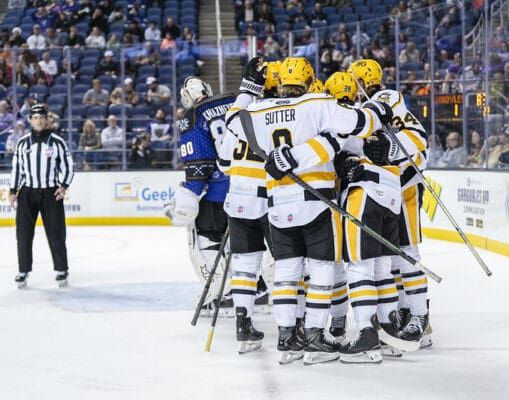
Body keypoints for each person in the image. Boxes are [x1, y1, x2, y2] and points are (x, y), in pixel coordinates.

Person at [227, 56, 390, 365]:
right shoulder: (317, 103)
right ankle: (315, 336)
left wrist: (248, 88)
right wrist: (378, 111)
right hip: (317, 201)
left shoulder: (258, 111)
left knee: (286, 273)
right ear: (309, 80)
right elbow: (359, 124)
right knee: (322, 271)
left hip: (278, 202)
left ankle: (287, 338)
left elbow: (233, 120)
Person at [349, 58, 433, 350]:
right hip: (386, 188)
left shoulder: (385, 98)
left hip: (404, 185)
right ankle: (404, 313)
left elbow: (417, 140)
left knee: (406, 252)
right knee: (392, 258)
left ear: (363, 81)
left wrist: (391, 148)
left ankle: (421, 318)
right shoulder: (367, 104)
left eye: (355, 82)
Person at [219, 58, 281, 354]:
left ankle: (243, 326)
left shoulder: (239, 117)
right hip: (271, 199)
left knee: (245, 267)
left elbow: (223, 163)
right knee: (286, 264)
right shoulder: (283, 116)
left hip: (238, 199)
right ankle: (291, 327)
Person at [163, 77, 233, 317]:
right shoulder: (235, 101)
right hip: (249, 188)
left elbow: (198, 165)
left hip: (217, 194)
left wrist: (189, 194)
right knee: (246, 243)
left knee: (205, 240)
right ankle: (258, 290)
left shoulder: (193, 116)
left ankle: (222, 295)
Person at [8, 104, 74, 288]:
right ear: (30, 120)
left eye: (42, 117)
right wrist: (13, 191)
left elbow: (68, 165)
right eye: (35, 117)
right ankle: (23, 270)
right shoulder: (22, 143)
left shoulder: (57, 142)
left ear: (47, 120)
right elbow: (17, 169)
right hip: (27, 192)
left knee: (56, 232)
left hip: (50, 192)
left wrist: (64, 185)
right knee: (23, 233)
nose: (38, 120)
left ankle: (61, 269)